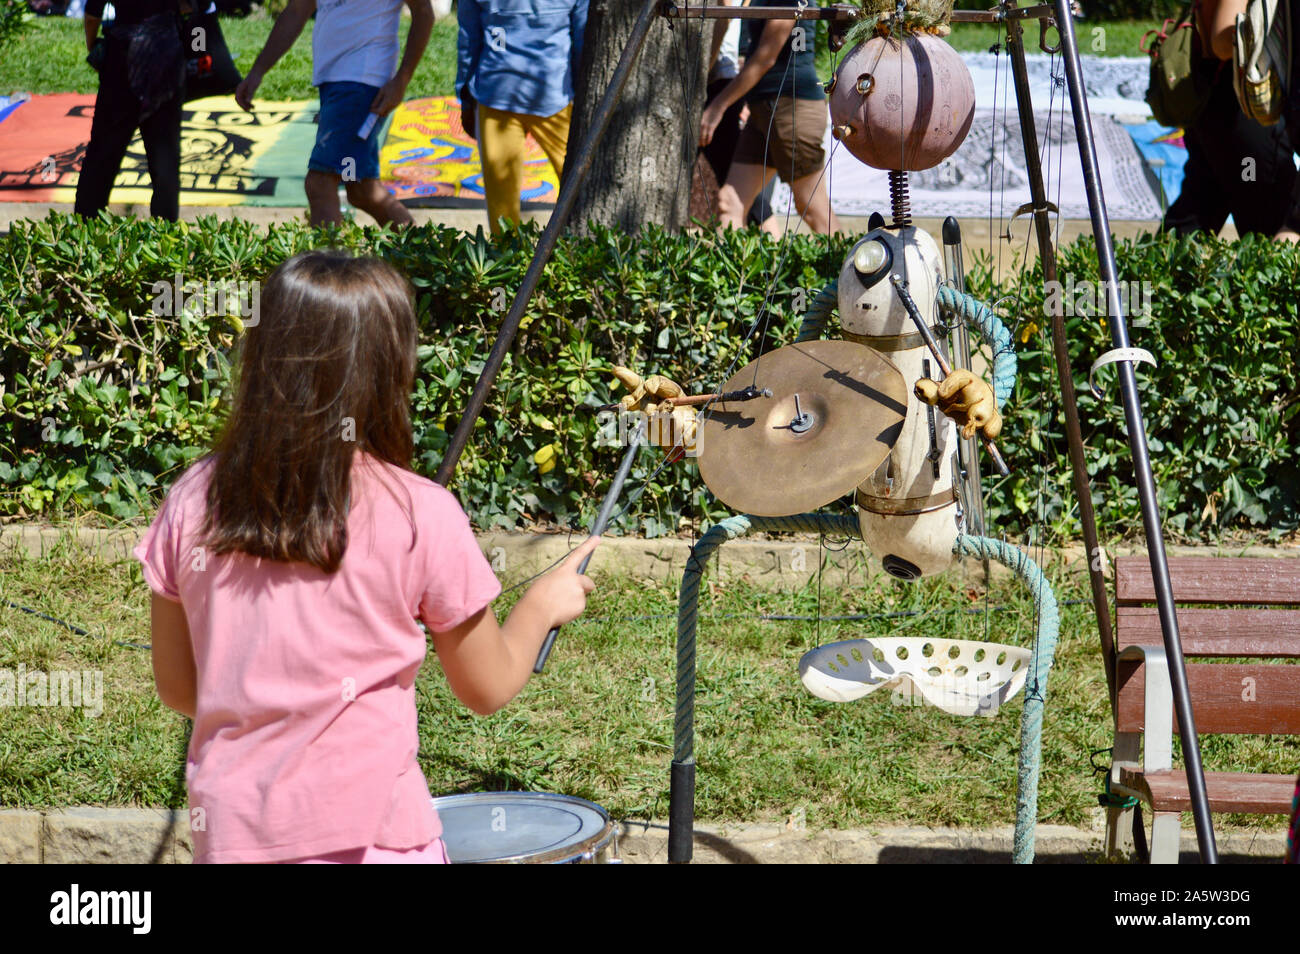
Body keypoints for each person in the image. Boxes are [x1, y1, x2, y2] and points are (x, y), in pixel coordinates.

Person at [134, 251, 602, 864]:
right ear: (391, 368)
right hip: (379, 843)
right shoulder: (420, 512)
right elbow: (485, 688)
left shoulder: (193, 498)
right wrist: (541, 606)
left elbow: (179, 687)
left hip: (231, 838)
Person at [235, 0, 433, 228]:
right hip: (334, 84)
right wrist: (257, 71)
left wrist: (402, 80)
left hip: (363, 84)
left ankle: (328, 264)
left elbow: (424, 12)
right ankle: (422, 255)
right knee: (362, 190)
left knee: (320, 182)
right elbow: (297, 11)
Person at [698, 0, 840, 236]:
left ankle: (855, 269)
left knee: (811, 207)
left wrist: (718, 106)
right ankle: (740, 272)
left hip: (791, 106)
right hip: (763, 110)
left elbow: (765, 57)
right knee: (729, 203)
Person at [1159, 0, 1298, 238]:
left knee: (1193, 219)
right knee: (1271, 229)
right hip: (1240, 111)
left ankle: (1140, 273)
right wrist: (1267, 31)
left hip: (1213, 105)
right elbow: (1221, 42)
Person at [456, 0, 587, 234]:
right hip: (554, 95)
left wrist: (465, 97)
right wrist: (582, 93)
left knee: (501, 206)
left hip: (497, 95)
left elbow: (469, 40)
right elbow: (582, 39)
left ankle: (507, 261)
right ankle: (579, 252)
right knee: (580, 185)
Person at [74, 0, 186, 221]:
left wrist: (92, 44)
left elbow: (92, 15)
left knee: (103, 153)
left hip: (121, 58)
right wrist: (196, 50)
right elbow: (198, 11)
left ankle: (84, 231)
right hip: (167, 57)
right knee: (165, 157)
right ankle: (166, 237)